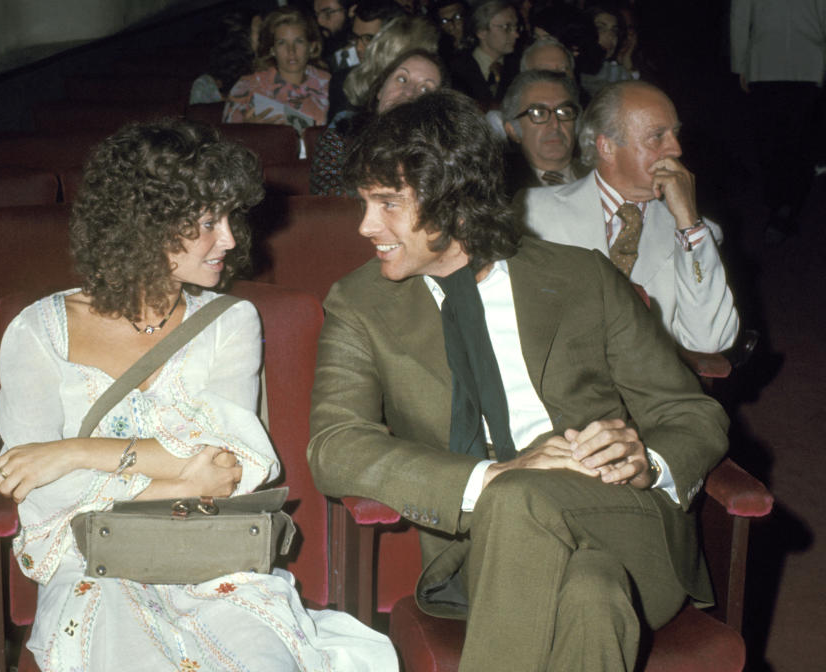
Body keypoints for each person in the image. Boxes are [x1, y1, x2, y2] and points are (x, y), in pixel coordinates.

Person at [308, 90, 729, 672]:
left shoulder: (581, 277)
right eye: (364, 203)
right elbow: (335, 446)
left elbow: (693, 414)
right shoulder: (359, 304)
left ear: (455, 203)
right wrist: (493, 476)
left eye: (387, 204)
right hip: (484, 556)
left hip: (626, 522)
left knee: (529, 507)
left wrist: (648, 460)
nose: (364, 226)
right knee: (591, 597)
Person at [0, 120, 398, 671]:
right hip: (96, 564)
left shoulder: (230, 322)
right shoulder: (38, 331)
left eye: (228, 219)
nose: (228, 239)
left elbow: (230, 462)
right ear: (143, 225)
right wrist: (180, 478)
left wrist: (75, 451)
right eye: (207, 222)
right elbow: (36, 492)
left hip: (214, 555)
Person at [523, 80, 739, 353]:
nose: (676, 150)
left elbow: (710, 340)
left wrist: (687, 221)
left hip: (645, 390)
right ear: (607, 147)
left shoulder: (697, 235)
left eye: (675, 134)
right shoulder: (533, 212)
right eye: (657, 136)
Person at [730, 0, 826, 241]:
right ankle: (788, 204)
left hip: (764, 61)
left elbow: (740, 17)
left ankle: (777, 203)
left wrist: (740, 63)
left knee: (770, 138)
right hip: (809, 61)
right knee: (800, 138)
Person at [310, 48, 447, 195]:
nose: (409, 92)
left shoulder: (442, 156)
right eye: (402, 79)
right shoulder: (341, 135)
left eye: (425, 89)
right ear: (380, 90)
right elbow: (329, 202)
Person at [223, 7, 330, 131]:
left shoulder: (329, 83)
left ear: (312, 46)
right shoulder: (247, 87)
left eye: (299, 41)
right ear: (272, 49)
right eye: (282, 43)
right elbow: (226, 140)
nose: (291, 51)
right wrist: (249, 130)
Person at [492, 69, 586, 194]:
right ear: (513, 130)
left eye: (564, 112)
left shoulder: (602, 176)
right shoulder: (497, 189)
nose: (555, 124)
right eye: (538, 113)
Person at [326, 0, 405, 118]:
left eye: (368, 39)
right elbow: (335, 133)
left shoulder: (412, 82)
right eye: (356, 38)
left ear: (393, 39)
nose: (358, 47)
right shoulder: (344, 82)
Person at [449, 0, 521, 107]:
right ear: (481, 31)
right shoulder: (455, 70)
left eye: (516, 27)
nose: (516, 34)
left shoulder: (520, 67)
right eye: (507, 27)